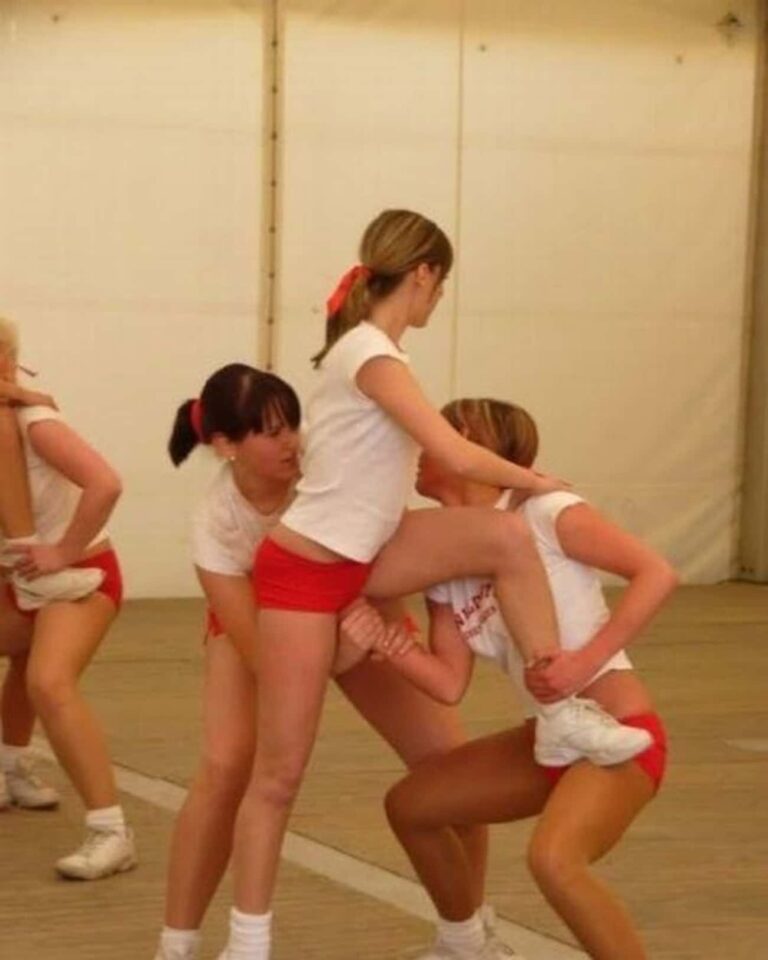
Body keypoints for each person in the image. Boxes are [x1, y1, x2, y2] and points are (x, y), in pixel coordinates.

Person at [221, 210, 649, 960]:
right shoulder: (369, 351)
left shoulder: (377, 351)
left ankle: (557, 713)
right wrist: (535, 480)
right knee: (279, 775)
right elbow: (452, 450)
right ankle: (246, 946)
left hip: (370, 554)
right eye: (440, 286)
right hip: (306, 570)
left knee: (505, 537)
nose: (438, 299)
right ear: (423, 275)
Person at [154, 364, 494, 960]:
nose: (291, 442)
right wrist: (344, 649)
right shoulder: (215, 522)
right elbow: (266, 659)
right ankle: (176, 945)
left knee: (453, 768)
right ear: (227, 445)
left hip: (355, 604)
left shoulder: (327, 465)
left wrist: (371, 631)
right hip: (262, 622)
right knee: (227, 766)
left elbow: (388, 537)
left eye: (293, 425)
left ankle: (468, 934)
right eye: (270, 433)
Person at [358, 397, 679, 960]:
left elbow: (657, 573)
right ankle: (464, 946)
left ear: (472, 446)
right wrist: (389, 643)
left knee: (553, 861)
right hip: (547, 744)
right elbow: (448, 683)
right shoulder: (446, 564)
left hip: (619, 732)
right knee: (411, 806)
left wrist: (584, 662)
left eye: (441, 433)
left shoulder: (548, 511)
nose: (423, 447)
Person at [0, 316, 136, 879]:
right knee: (24, 658)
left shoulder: (36, 423)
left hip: (82, 576)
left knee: (48, 681)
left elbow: (106, 483)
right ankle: (10, 767)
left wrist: (63, 550)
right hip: (20, 577)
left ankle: (111, 831)